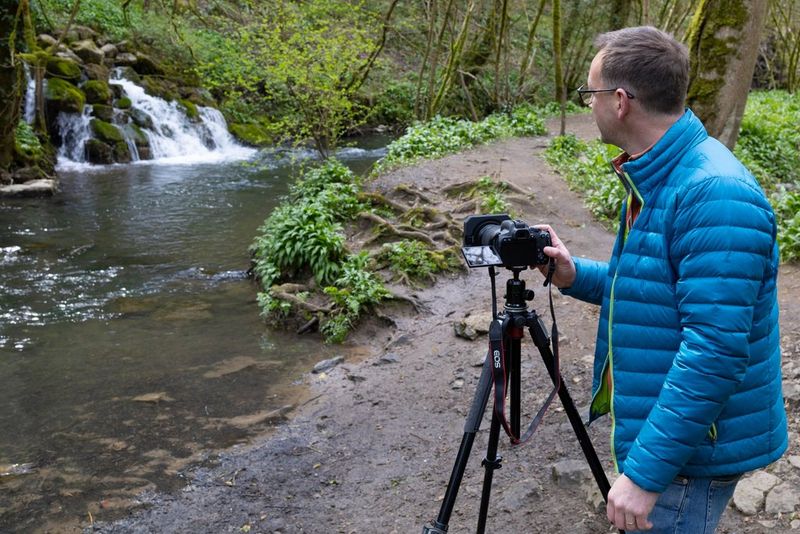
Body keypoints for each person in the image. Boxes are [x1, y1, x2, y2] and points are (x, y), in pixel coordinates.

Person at [538, 26, 788, 533]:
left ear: (620, 101)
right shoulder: (662, 174)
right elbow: (658, 289)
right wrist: (572, 274)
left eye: (590, 94)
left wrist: (646, 475)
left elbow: (715, 349)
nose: (588, 106)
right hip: (682, 435)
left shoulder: (713, 193)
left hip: (692, 455)